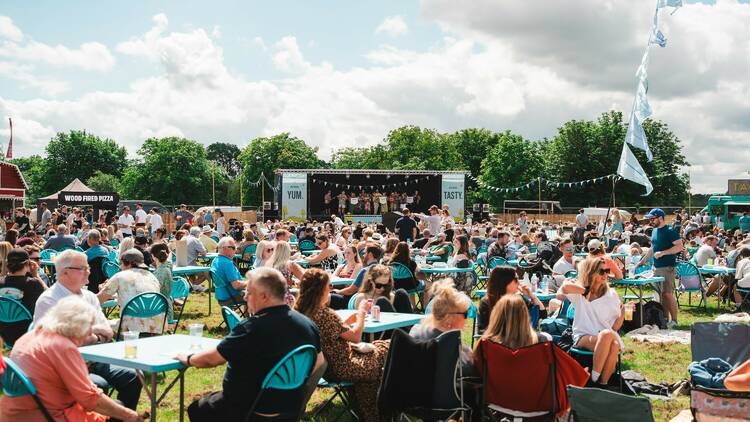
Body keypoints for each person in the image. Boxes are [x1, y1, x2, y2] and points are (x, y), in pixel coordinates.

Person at [179, 267, 321, 422]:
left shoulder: (252, 327)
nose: (245, 296)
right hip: (290, 408)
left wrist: (188, 358)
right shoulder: (308, 325)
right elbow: (318, 362)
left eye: (249, 292)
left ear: (265, 296)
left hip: (248, 409)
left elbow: (211, 360)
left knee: (198, 409)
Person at [1, 296, 144, 422]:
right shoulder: (63, 347)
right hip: (48, 414)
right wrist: (129, 415)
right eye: (89, 327)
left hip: (17, 411)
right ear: (76, 325)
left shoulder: (31, 336)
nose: (90, 333)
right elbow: (90, 398)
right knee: (119, 410)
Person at [34, 250, 142, 411]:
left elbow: (107, 331)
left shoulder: (89, 296)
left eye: (88, 267)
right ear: (65, 272)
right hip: (64, 365)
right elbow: (58, 342)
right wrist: (94, 334)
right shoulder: (50, 299)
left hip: (97, 359)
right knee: (99, 385)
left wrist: (87, 335)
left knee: (133, 377)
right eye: (83, 268)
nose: (89, 271)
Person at [295, 268, 388, 422]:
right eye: (329, 286)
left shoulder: (301, 312)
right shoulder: (325, 314)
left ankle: (369, 412)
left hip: (325, 368)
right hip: (344, 366)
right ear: (321, 290)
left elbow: (332, 332)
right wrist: (362, 313)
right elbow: (356, 337)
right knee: (387, 348)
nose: (331, 290)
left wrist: (350, 321)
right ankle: (383, 410)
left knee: (377, 355)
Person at [561, 258, 624, 386]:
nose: (606, 275)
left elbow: (616, 326)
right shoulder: (580, 291)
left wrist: (623, 311)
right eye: (601, 271)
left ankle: (602, 384)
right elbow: (564, 287)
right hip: (583, 335)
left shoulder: (611, 294)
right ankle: (596, 382)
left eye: (607, 271)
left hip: (606, 337)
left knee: (613, 342)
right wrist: (586, 291)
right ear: (591, 272)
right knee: (608, 336)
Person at [410, 279, 474, 374]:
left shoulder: (415, 331)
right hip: (445, 388)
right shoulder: (450, 343)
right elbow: (469, 369)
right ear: (449, 318)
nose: (466, 319)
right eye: (465, 314)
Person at [97, 249, 162, 335]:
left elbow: (97, 300)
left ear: (129, 263)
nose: (120, 267)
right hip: (156, 326)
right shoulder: (152, 277)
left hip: (130, 328)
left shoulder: (120, 276)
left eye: (122, 263)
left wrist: (102, 289)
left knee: (96, 327)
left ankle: (110, 347)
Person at [638, 208, 681, 328]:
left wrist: (663, 253)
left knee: (667, 294)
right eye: (650, 219)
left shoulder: (670, 231)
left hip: (667, 267)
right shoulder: (654, 231)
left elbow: (679, 247)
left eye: (653, 218)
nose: (650, 221)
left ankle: (675, 321)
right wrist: (641, 261)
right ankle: (665, 319)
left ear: (660, 218)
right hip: (656, 268)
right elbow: (652, 249)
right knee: (661, 295)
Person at [0, 248, 47, 345]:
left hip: (3, 333)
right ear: (27, 264)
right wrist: (36, 275)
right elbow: (50, 296)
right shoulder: (33, 283)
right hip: (26, 333)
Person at [477, 266, 544, 333]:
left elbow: (542, 314)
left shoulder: (518, 298)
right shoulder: (486, 302)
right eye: (516, 279)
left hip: (521, 339)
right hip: (498, 341)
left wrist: (531, 296)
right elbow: (484, 330)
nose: (518, 283)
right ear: (504, 282)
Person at [330, 245, 382, 309]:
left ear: (370, 254)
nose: (363, 255)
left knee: (326, 297)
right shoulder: (382, 269)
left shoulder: (365, 270)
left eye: (365, 253)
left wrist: (336, 291)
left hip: (355, 301)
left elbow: (351, 290)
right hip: (375, 302)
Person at [210, 237, 247, 307]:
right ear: (224, 248)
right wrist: (250, 282)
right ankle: (257, 317)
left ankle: (248, 316)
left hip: (221, 296)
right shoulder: (227, 263)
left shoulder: (215, 260)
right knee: (260, 295)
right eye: (233, 248)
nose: (235, 250)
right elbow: (236, 286)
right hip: (231, 297)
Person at [266, 240, 304, 306]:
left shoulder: (269, 264)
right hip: (284, 298)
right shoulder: (290, 265)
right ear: (287, 251)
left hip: (269, 298)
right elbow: (304, 278)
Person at [150, 243, 174, 320]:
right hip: (165, 304)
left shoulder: (161, 271)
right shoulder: (167, 267)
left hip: (160, 309)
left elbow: (155, 291)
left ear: (153, 256)